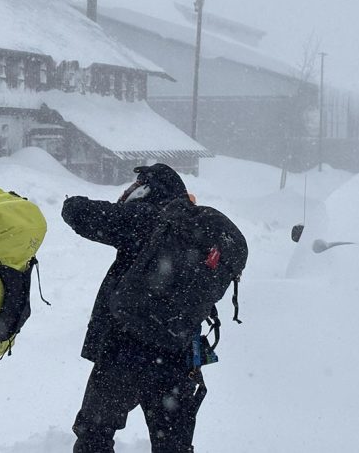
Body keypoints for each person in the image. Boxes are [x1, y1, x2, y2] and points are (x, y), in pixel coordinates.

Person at [62, 163, 239, 453]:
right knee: (172, 443)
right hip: (179, 351)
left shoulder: (146, 216)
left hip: (125, 348)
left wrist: (70, 203)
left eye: (133, 185)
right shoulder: (198, 229)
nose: (127, 190)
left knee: (96, 433)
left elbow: (83, 216)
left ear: (146, 188)